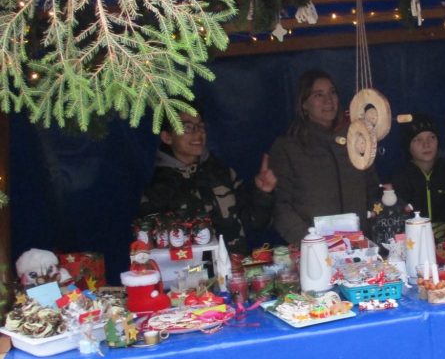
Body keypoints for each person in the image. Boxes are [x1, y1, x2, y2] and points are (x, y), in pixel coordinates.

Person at [137, 109, 276, 255]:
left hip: (233, 265)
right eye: (187, 127)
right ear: (167, 137)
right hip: (187, 268)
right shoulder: (157, 186)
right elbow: (149, 247)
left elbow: (253, 223)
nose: (198, 133)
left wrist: (263, 194)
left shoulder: (221, 172)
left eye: (201, 126)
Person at [269, 69, 380, 245]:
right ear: (304, 104)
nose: (328, 100)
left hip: (359, 247)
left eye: (332, 92)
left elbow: (373, 190)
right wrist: (310, 242)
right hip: (314, 249)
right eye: (318, 95)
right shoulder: (288, 147)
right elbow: (281, 208)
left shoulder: (357, 140)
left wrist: (375, 221)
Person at [392, 113, 445, 225]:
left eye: (431, 137)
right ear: (407, 145)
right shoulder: (400, 179)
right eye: (418, 139)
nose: (426, 144)